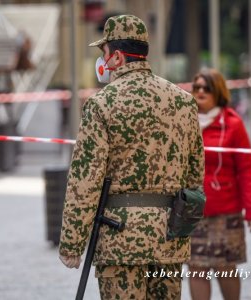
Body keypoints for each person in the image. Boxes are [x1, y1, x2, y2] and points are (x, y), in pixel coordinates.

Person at [58, 15, 205, 299]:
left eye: (104, 52)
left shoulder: (102, 103)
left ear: (116, 57)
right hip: (169, 237)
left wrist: (72, 243)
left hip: (119, 239)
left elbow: (85, 181)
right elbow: (195, 171)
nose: (101, 60)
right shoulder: (183, 101)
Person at [188, 69, 251, 300]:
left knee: (225, 267)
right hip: (192, 210)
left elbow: (246, 170)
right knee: (196, 268)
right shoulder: (184, 122)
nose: (200, 92)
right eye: (196, 87)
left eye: (206, 88)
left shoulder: (233, 124)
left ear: (217, 92)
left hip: (226, 211)